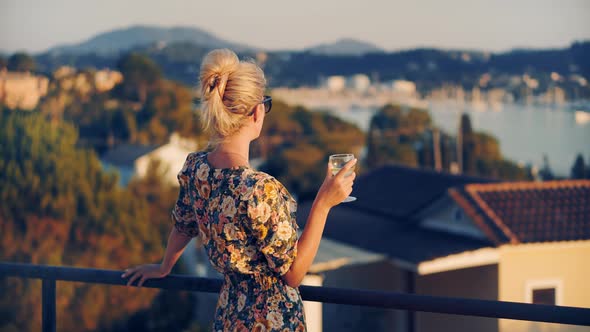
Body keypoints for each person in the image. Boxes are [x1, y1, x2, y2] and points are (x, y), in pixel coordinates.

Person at [121, 49, 356, 331]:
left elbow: (184, 226)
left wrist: (164, 266)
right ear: (257, 112)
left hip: (229, 315)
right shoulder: (260, 190)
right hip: (271, 322)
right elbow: (293, 274)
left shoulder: (196, 169)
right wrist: (323, 203)